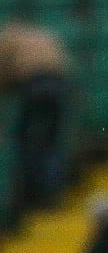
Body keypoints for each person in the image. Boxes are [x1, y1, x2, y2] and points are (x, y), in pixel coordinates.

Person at [0, 20, 71, 228]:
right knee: (51, 142)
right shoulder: (43, 34)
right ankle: (52, 192)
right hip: (58, 84)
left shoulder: (8, 40)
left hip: (35, 84)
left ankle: (34, 193)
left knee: (26, 141)